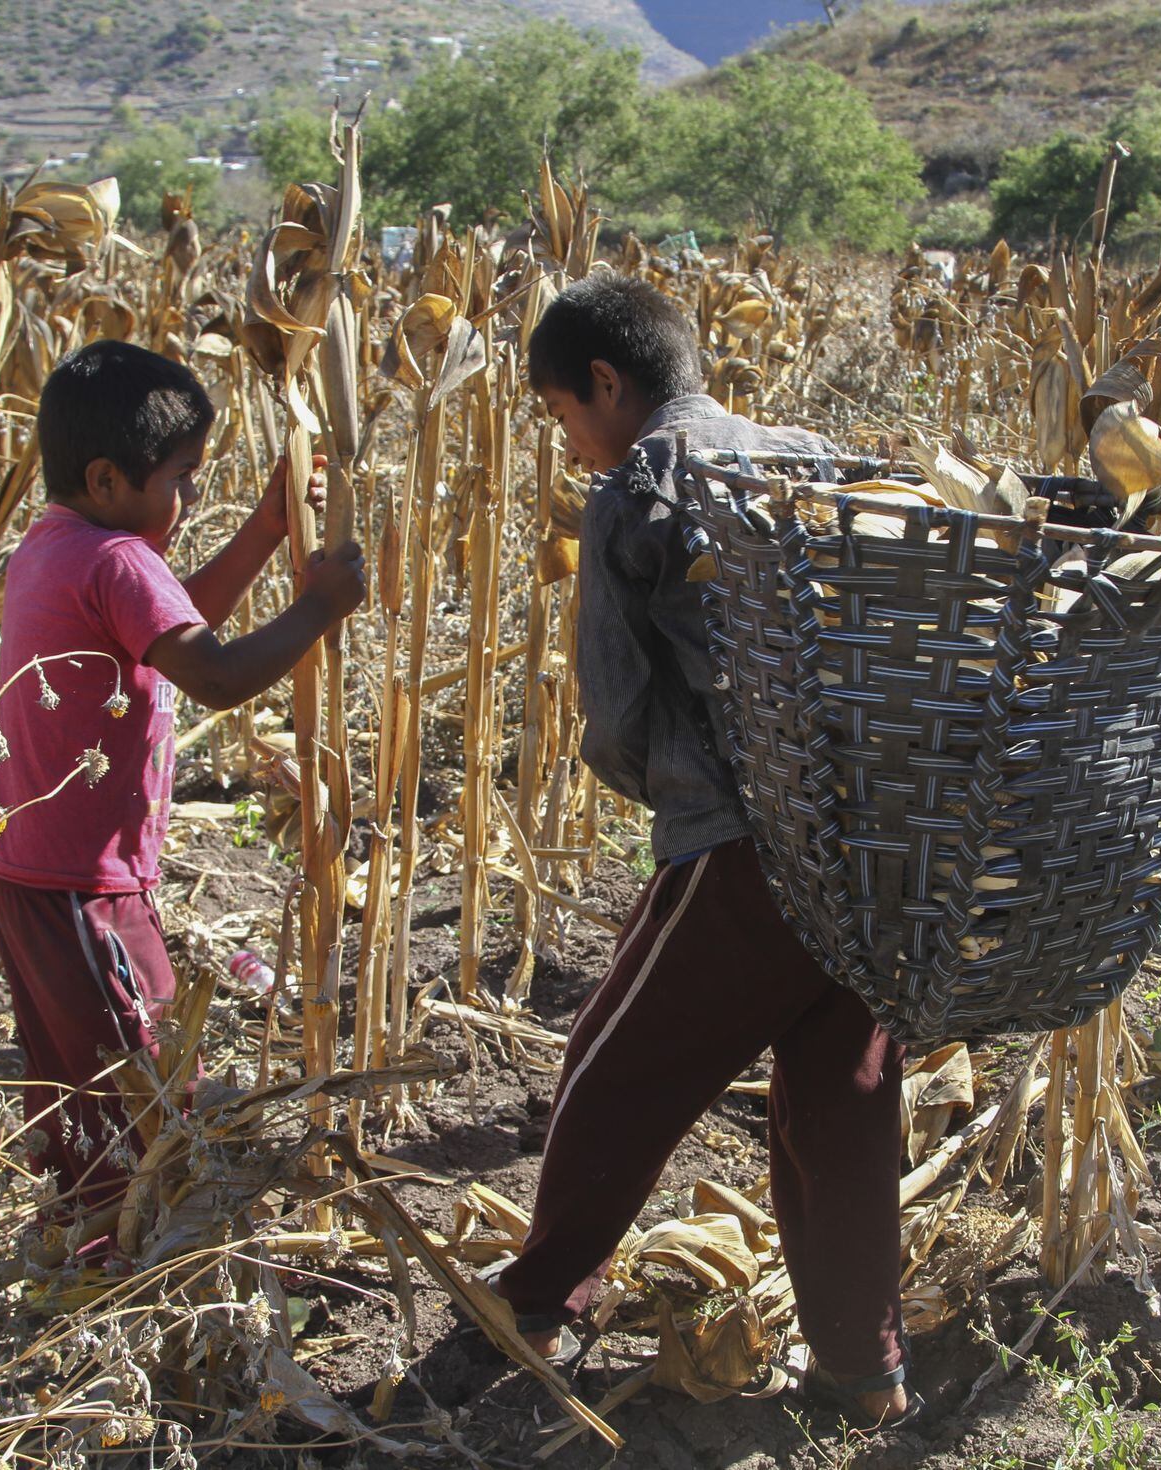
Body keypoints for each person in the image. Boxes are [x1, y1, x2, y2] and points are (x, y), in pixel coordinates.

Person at [490, 277, 920, 1428]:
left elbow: (620, 713)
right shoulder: (816, 456)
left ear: (606, 385)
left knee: (616, 1061)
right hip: (866, 847)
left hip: (742, 849)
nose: (569, 441)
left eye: (561, 413)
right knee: (844, 1086)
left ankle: (533, 1305)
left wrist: (673, 801)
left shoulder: (634, 491)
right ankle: (861, 1369)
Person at [0, 339, 366, 1222]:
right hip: (80, 883)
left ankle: (93, 1234)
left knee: (89, 1084)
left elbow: (171, 622)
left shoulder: (60, 542)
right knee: (149, 1079)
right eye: (183, 478)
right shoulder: (115, 559)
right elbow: (217, 676)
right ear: (110, 478)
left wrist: (267, 530)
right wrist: (318, 607)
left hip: (36, 871)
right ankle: (139, 1249)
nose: (189, 500)